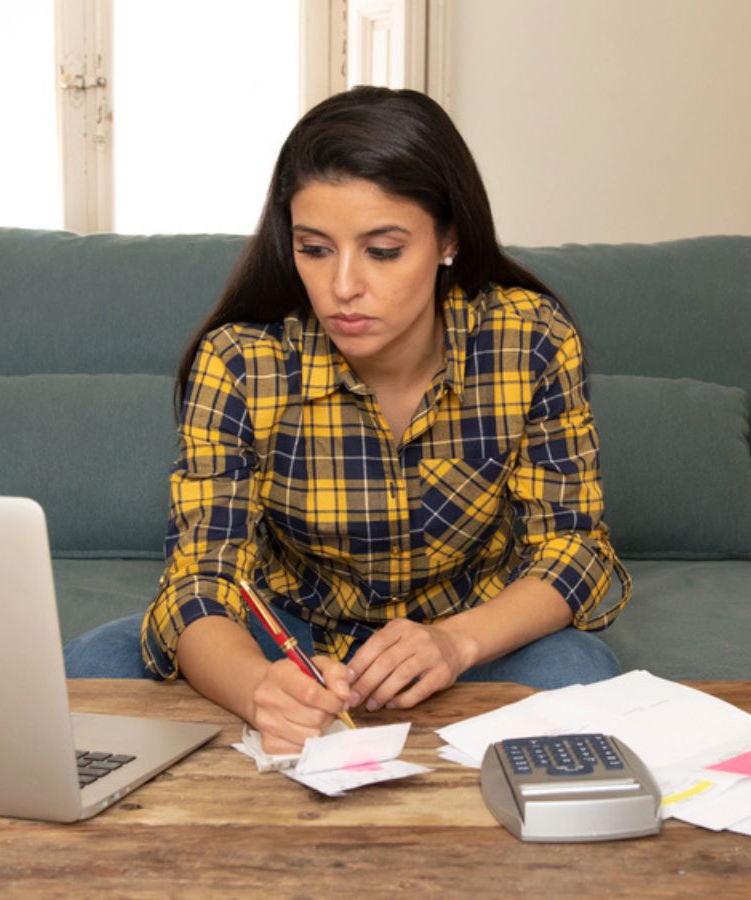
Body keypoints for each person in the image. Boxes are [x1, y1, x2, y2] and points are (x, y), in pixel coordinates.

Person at [66, 86, 631, 752]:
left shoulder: (530, 338)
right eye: (315, 249)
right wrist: (258, 689)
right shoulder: (243, 361)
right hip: (289, 633)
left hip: (471, 633)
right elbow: (200, 578)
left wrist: (454, 643)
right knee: (94, 668)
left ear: (448, 237)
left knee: (583, 678)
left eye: (382, 251)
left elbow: (573, 548)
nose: (342, 288)